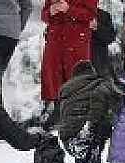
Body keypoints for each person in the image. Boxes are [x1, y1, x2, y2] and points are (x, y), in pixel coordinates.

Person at [58, 60, 123, 163]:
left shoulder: (65, 89)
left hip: (67, 136)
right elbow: (115, 104)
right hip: (88, 133)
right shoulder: (101, 84)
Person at [39, 0, 98, 128]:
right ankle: (57, 108)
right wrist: (51, 11)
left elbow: (90, 14)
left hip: (76, 38)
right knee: (53, 75)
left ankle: (75, 112)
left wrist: (68, 9)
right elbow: (44, 15)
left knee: (76, 75)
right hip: (55, 37)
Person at [90, 6, 117, 81]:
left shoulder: (103, 15)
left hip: (99, 63)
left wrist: (97, 27)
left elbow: (110, 38)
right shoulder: (71, 15)